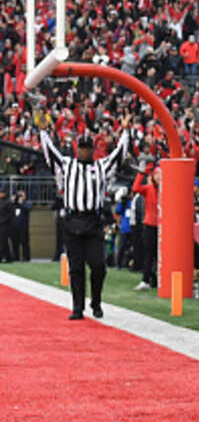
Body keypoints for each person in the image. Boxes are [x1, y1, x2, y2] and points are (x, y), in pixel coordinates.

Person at [40, 115, 130, 319]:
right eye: (82, 148)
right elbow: (50, 154)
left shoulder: (101, 166)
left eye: (88, 148)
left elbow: (119, 155)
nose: (85, 151)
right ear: (76, 149)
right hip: (72, 221)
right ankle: (77, 307)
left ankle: (96, 301)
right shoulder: (67, 165)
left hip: (93, 221)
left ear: (93, 150)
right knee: (76, 267)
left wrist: (125, 132)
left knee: (98, 265)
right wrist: (43, 133)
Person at [131, 165, 161, 291]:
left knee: (160, 256)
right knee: (149, 254)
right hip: (150, 226)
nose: (159, 177)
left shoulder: (167, 190)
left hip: (161, 226)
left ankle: (157, 279)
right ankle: (146, 279)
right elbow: (135, 188)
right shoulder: (149, 189)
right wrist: (140, 174)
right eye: (157, 175)